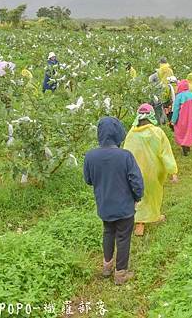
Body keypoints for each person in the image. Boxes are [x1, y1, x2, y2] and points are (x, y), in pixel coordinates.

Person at [83, 117, 144, 285]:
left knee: (108, 232)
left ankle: (107, 266)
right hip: (124, 207)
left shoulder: (90, 156)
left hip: (104, 205)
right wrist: (137, 197)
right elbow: (136, 181)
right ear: (118, 134)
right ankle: (120, 273)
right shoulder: (125, 156)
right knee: (123, 237)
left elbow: (88, 180)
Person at [124, 104, 178, 236]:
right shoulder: (157, 132)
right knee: (153, 195)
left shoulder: (131, 134)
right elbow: (166, 153)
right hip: (154, 172)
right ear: (152, 116)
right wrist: (173, 172)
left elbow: (125, 153)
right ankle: (154, 216)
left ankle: (139, 224)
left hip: (135, 172)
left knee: (138, 196)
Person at [171, 80, 192, 156]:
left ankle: (184, 149)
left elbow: (176, 109)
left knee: (181, 133)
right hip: (190, 118)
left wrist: (173, 120)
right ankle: (188, 147)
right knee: (189, 131)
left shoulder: (179, 96)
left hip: (181, 118)